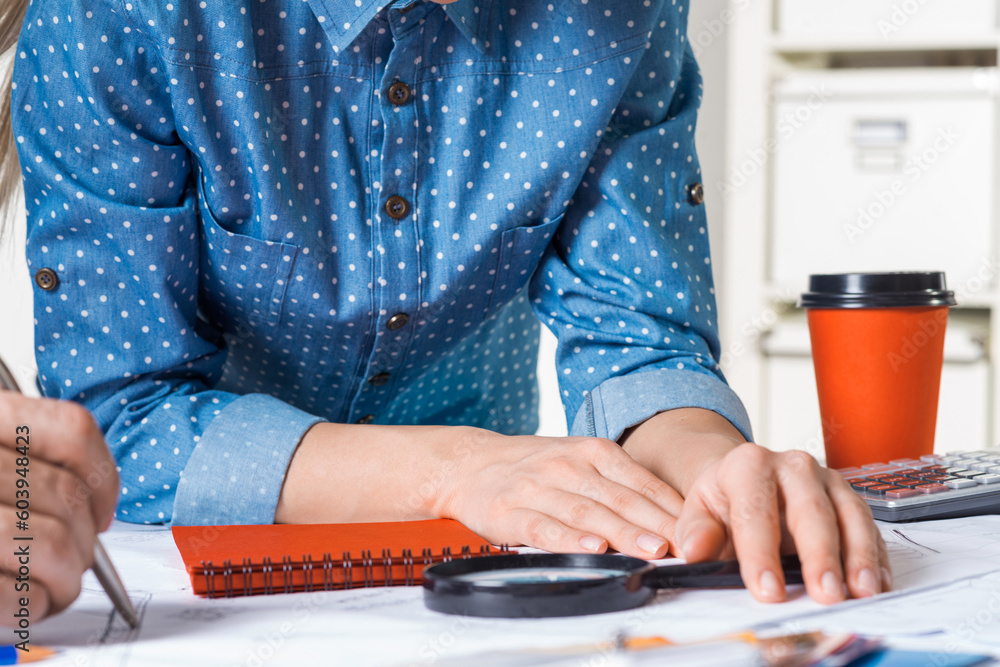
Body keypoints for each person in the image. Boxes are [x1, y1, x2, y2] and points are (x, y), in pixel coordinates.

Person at [0, 0, 889, 614]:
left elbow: (638, 342)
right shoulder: (111, 18)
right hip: (199, 590)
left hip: (488, 580)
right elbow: (121, 423)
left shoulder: (617, 13)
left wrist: (715, 471)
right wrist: (454, 473)